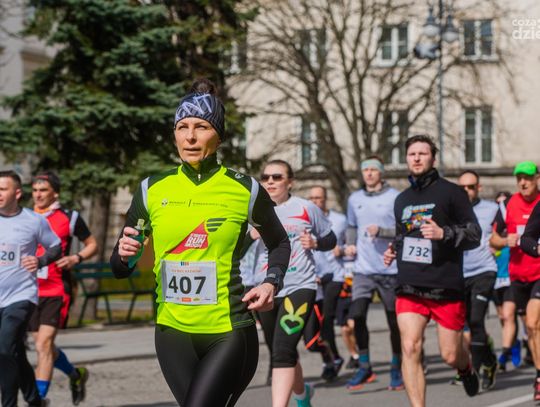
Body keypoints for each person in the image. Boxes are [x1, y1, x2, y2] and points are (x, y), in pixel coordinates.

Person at [110, 79, 291, 407]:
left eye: (201, 127)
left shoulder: (245, 189)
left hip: (227, 330)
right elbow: (120, 267)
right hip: (171, 333)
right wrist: (125, 256)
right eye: (182, 127)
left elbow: (279, 242)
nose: (190, 136)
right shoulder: (152, 189)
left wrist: (271, 282)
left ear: (218, 136)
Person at [383, 135, 481, 407]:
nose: (416, 158)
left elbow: (474, 234)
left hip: (445, 285)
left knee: (450, 355)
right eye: (411, 154)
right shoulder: (402, 199)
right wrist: (393, 249)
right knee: (410, 346)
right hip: (410, 284)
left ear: (433, 158)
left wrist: (444, 233)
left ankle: (465, 367)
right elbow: (404, 236)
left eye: (422, 153)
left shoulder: (452, 193)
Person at [254, 160, 336, 407]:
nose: (270, 182)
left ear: (290, 182)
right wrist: (249, 236)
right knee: (281, 350)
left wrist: (316, 243)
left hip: (300, 285)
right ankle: (303, 396)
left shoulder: (306, 208)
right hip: (266, 288)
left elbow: (330, 239)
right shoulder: (253, 210)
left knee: (282, 350)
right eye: (266, 177)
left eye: (277, 177)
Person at [28, 171, 98, 405]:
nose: (38, 195)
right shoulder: (24, 217)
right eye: (35, 190)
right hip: (29, 290)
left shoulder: (70, 217)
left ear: (55, 193)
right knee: (44, 346)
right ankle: (75, 374)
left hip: (57, 289)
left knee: (43, 345)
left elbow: (92, 244)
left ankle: (38, 399)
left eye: (43, 190)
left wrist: (76, 258)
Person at [0, 170, 61, 407]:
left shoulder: (33, 220)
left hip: (21, 295)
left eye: (2, 189)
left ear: (17, 193)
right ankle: (35, 401)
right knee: (14, 351)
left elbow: (55, 246)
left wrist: (40, 260)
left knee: (5, 348)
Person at [344, 156, 403, 391]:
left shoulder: (395, 197)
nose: (368, 173)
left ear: (381, 173)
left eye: (373, 170)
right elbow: (351, 226)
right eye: (365, 170)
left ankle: (397, 366)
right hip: (363, 269)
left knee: (393, 321)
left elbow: (405, 228)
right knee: (357, 315)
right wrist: (350, 244)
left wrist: (383, 231)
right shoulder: (354, 198)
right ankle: (365, 366)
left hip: (390, 269)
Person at [490, 161, 540, 400]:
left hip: (539, 273)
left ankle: (539, 377)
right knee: (528, 326)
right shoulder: (507, 204)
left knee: (533, 321)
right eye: (519, 178)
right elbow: (492, 239)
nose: (523, 182)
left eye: (527, 178)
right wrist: (504, 241)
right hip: (517, 275)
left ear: (537, 178)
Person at [454, 170, 498, 390]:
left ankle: (477, 371)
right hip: (459, 274)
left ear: (478, 188)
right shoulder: (451, 211)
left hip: (484, 271)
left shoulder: (492, 209)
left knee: (476, 320)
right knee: (462, 325)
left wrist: (500, 243)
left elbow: (504, 233)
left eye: (471, 187)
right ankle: (489, 360)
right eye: (462, 187)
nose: (466, 191)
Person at [308, 185, 348, 380]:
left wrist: (344, 249)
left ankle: (331, 362)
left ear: (326, 199)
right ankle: (332, 357)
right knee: (312, 331)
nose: (316, 201)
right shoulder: (304, 221)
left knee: (326, 321)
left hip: (334, 276)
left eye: (319, 198)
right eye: (312, 198)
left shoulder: (339, 220)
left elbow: (352, 244)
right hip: (312, 279)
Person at [490, 191, 522, 371]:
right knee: (503, 316)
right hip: (496, 276)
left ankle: (503, 356)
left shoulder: (515, 225)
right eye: (498, 204)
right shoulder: (494, 228)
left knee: (509, 315)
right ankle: (514, 342)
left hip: (511, 275)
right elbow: (489, 241)